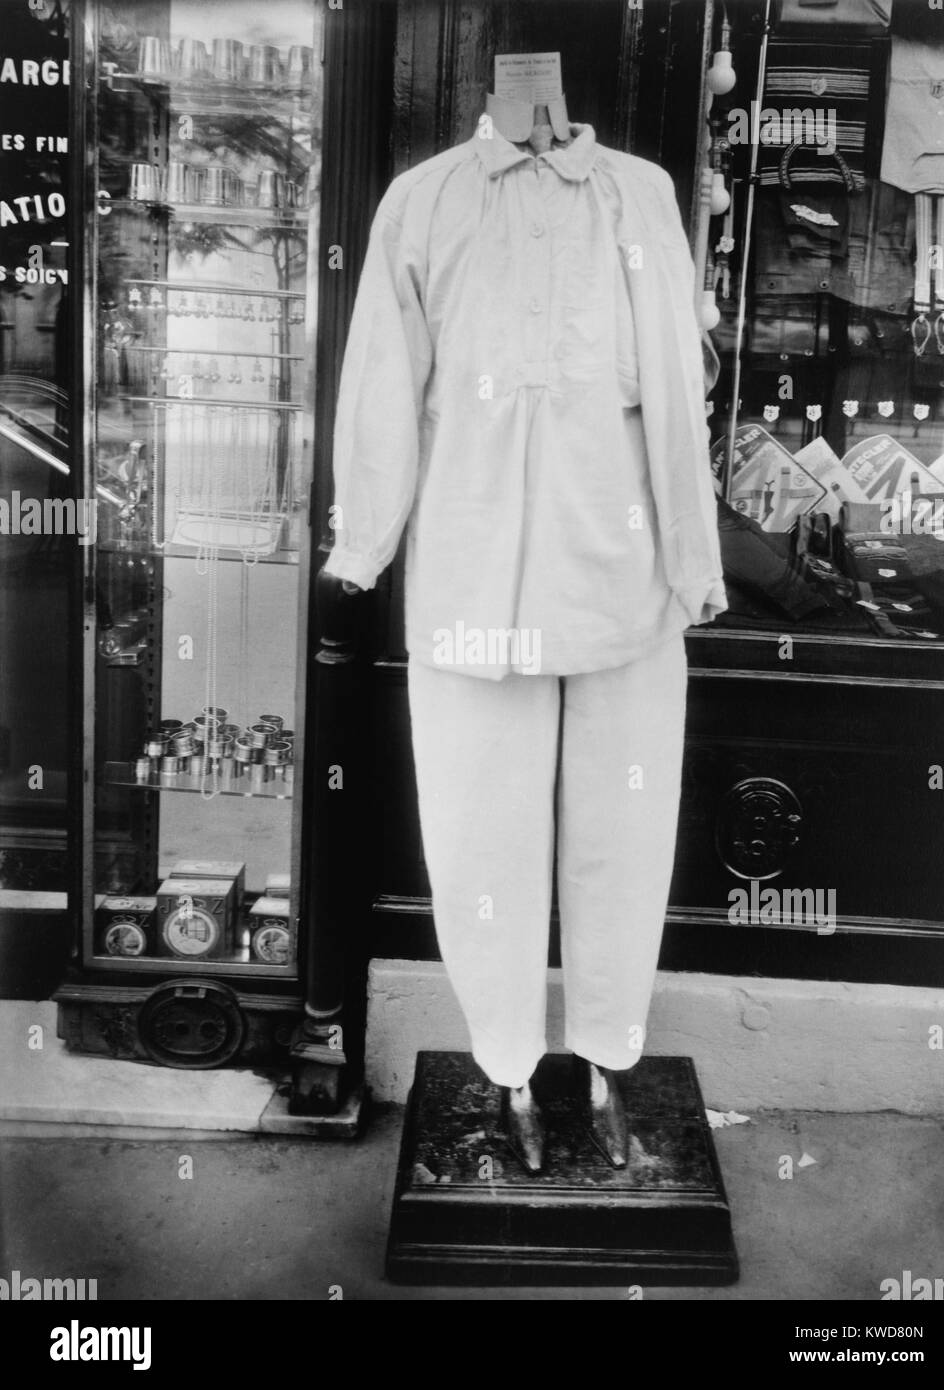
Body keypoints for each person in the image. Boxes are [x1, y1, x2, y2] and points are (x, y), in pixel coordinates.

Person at [324, 91, 726, 1173]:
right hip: (472, 578)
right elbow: (380, 382)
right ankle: (503, 1068)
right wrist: (363, 539)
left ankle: (602, 1060)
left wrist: (691, 561)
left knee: (622, 839)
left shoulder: (637, 198)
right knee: (477, 836)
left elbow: (680, 396)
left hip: (621, 575)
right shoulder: (423, 204)